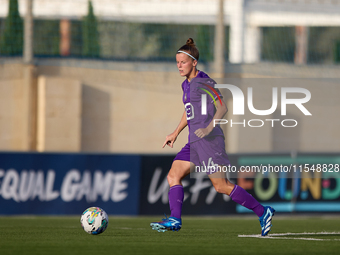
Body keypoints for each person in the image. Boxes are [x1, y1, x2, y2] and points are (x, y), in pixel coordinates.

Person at [150, 38, 275, 236]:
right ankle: (175, 219)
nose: (179, 66)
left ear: (194, 62)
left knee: (221, 186)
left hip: (209, 140)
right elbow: (188, 111)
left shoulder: (204, 81)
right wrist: (175, 132)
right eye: (177, 62)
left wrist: (208, 128)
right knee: (173, 175)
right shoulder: (186, 85)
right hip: (194, 141)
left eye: (183, 62)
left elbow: (222, 107)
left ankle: (263, 211)